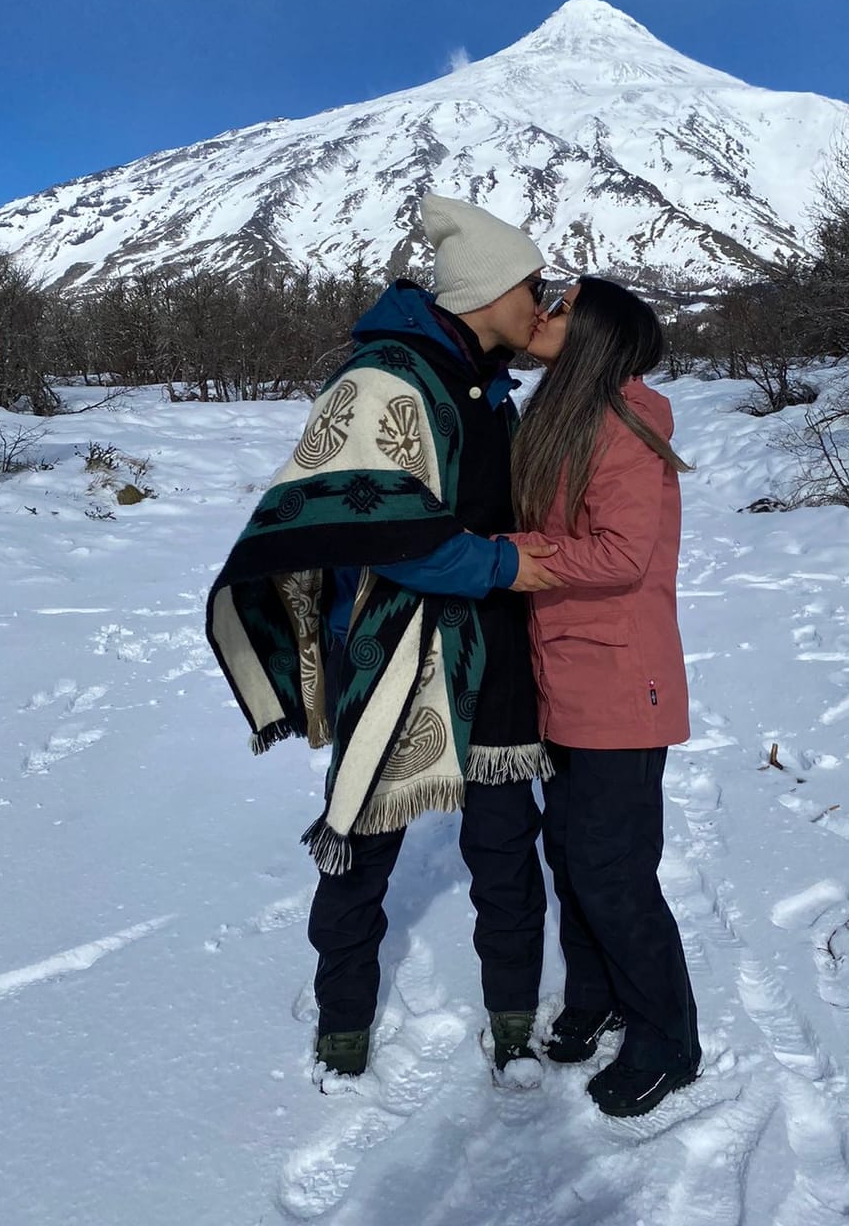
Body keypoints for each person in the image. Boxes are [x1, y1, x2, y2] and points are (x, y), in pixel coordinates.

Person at [206, 193, 564, 1082]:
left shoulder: (487, 388)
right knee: (361, 840)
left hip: (495, 649)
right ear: (486, 289)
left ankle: (515, 1018)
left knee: (504, 846)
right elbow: (387, 532)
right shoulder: (385, 379)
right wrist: (504, 568)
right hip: (398, 647)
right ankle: (343, 1021)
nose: (543, 302)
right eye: (533, 285)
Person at [506, 276, 702, 1118]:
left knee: (614, 869)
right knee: (573, 852)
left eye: (560, 306)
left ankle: (671, 1037)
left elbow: (621, 555)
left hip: (621, 679)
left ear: (596, 334)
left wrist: (509, 555)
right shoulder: (563, 411)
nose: (542, 312)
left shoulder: (622, 423)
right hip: (564, 670)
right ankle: (598, 994)